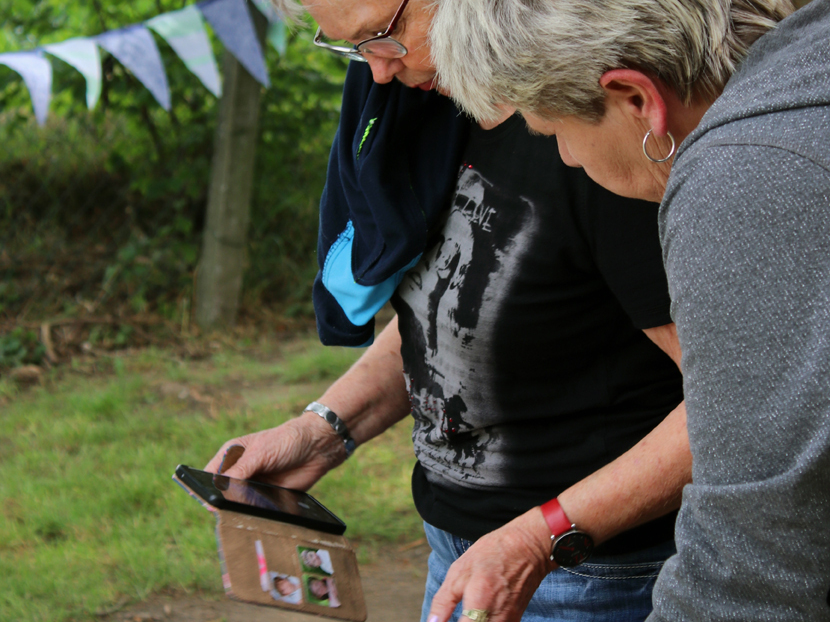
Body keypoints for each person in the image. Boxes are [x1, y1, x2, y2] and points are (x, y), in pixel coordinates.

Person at [207, 0, 691, 621]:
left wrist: (537, 537)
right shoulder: (428, 106)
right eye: (353, 50)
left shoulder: (595, 133)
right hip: (464, 548)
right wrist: (325, 430)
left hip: (589, 573)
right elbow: (447, 310)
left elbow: (733, 404)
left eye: (382, 37)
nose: (376, 72)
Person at [429, 0, 830, 620]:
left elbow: (756, 551)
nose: (564, 158)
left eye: (555, 132)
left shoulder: (740, 179)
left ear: (637, 99)